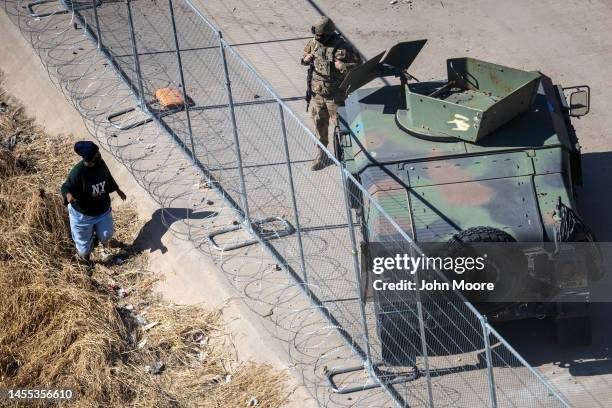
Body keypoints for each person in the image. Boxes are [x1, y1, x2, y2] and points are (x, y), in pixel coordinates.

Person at [301, 16, 361, 170]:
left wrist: (343, 66)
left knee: (342, 127)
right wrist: (306, 59)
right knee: (319, 124)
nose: (317, 38)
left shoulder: (343, 47)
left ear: (328, 34)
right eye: (316, 35)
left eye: (320, 35)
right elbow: (304, 58)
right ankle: (322, 155)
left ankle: (348, 156)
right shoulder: (314, 43)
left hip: (336, 95)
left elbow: (359, 65)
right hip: (318, 93)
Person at [61, 141, 126, 270]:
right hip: (83, 214)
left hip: (102, 210)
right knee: (84, 248)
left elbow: (108, 177)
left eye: (98, 153)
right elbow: (66, 186)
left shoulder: (101, 164)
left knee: (107, 234)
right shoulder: (78, 172)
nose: (99, 156)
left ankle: (95, 235)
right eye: (96, 155)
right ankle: (86, 262)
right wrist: (68, 195)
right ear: (89, 159)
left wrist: (118, 190)